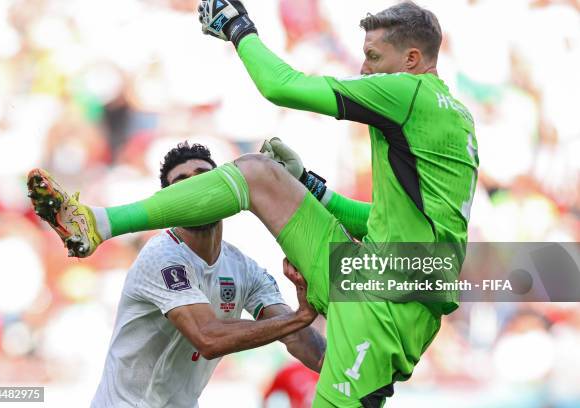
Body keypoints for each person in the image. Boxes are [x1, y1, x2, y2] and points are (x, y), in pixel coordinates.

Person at [27, 2, 478, 406]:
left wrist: (238, 27)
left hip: (386, 296)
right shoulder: (455, 118)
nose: (363, 69)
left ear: (412, 60)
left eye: (374, 57)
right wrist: (309, 185)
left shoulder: (407, 93)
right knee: (259, 173)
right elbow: (376, 221)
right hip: (384, 272)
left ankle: (100, 224)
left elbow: (282, 87)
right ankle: (96, 223)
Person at [89, 142, 325, 407]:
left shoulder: (243, 268)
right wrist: (300, 317)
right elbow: (209, 337)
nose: (196, 192)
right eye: (183, 185)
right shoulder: (161, 256)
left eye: (204, 180)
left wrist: (355, 369)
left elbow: (299, 339)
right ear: (171, 204)